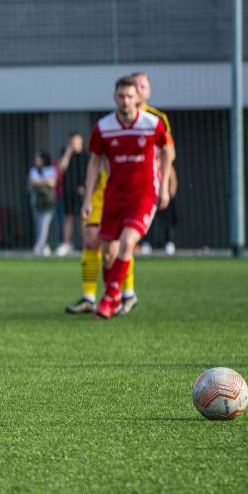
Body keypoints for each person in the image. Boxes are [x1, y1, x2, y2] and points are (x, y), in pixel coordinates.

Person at [81, 75, 174, 319]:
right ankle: (115, 296)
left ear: (138, 98)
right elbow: (94, 162)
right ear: (115, 97)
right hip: (114, 196)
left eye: (130, 96)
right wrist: (88, 198)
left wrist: (164, 187)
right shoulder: (103, 127)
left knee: (128, 241)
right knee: (108, 252)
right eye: (121, 96)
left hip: (143, 195)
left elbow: (168, 151)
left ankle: (108, 299)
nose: (125, 101)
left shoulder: (152, 124)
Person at [132, 71, 179, 256]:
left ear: (149, 91)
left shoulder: (157, 117)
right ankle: (144, 242)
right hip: (133, 173)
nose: (138, 89)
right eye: (135, 85)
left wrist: (161, 166)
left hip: (156, 171)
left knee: (164, 204)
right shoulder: (122, 117)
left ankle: (169, 241)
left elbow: (169, 150)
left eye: (142, 85)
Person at [55, 133, 85, 256]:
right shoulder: (66, 153)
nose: (73, 144)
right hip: (67, 191)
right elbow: (61, 168)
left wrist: (85, 187)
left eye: (76, 141)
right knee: (68, 217)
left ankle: (85, 244)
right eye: (71, 142)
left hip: (82, 193)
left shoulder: (86, 155)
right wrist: (68, 153)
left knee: (83, 218)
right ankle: (66, 244)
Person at [28, 151, 57, 256]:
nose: (36, 161)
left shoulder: (51, 169)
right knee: (38, 225)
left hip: (48, 202)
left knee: (44, 225)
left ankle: (39, 246)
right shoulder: (34, 170)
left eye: (38, 158)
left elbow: (53, 183)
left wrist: (40, 181)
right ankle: (43, 245)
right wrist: (45, 181)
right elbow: (33, 181)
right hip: (37, 202)